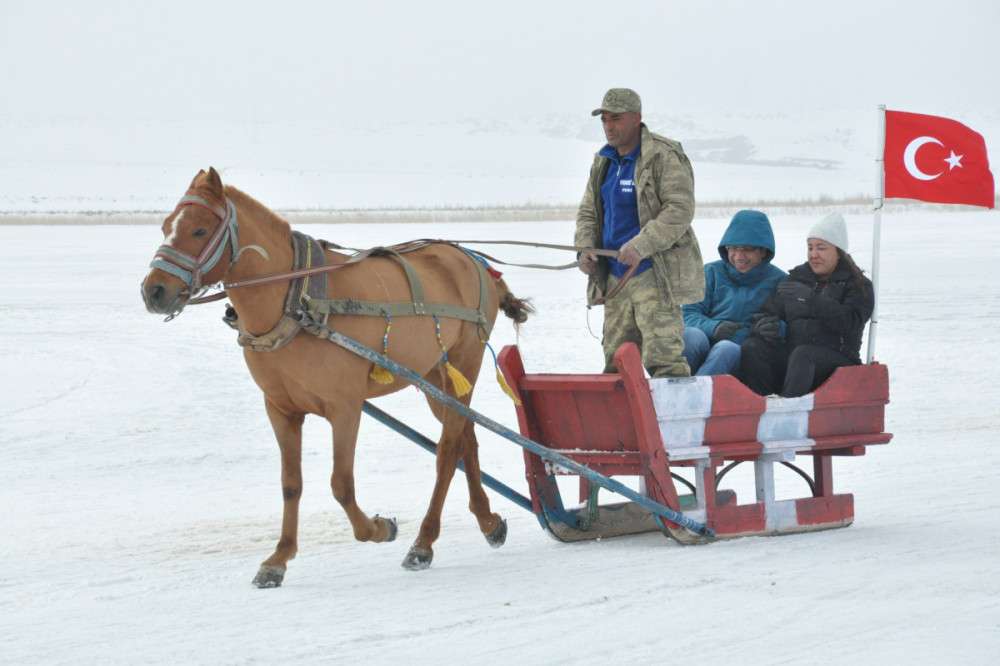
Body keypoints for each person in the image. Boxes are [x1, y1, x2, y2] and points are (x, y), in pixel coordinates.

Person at [575, 88, 704, 378]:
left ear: (637, 118)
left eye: (616, 118)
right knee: (616, 361)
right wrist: (585, 249)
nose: (609, 126)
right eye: (605, 119)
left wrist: (641, 245)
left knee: (664, 360)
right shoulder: (603, 161)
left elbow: (679, 209)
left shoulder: (663, 155)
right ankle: (620, 422)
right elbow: (588, 212)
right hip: (615, 278)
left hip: (654, 274)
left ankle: (671, 422)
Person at [738, 212, 874, 397]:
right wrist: (763, 325)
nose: (814, 254)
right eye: (810, 248)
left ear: (839, 252)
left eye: (821, 248)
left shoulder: (858, 285)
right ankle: (762, 406)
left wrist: (812, 300)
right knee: (753, 347)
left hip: (838, 359)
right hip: (796, 357)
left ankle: (789, 412)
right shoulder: (796, 279)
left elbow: (850, 323)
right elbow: (768, 311)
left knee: (804, 354)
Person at [682, 209, 786, 375]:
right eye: (733, 248)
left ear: (763, 251)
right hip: (706, 341)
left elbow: (792, 325)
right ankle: (672, 388)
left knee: (726, 349)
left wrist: (778, 328)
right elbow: (687, 313)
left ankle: (693, 397)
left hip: (740, 356)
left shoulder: (780, 282)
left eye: (747, 249)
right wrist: (714, 327)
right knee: (690, 336)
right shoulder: (710, 273)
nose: (739, 256)